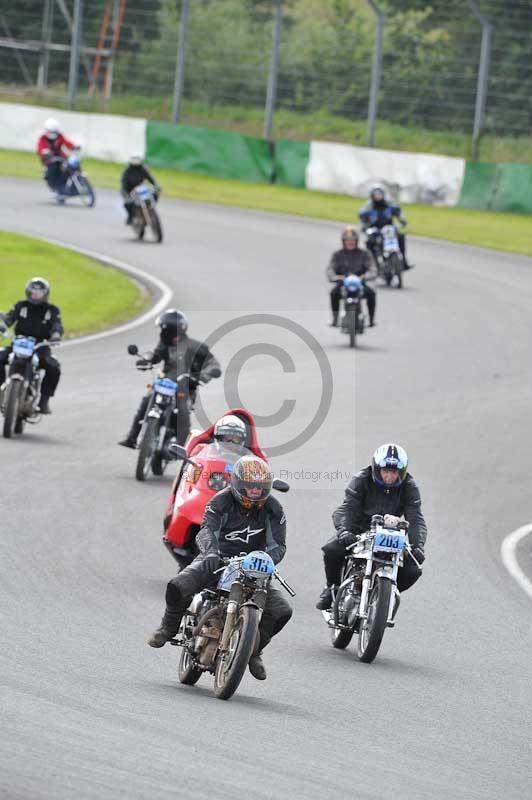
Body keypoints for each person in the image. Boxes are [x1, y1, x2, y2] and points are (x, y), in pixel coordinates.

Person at [148, 455, 292, 681]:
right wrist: (212, 552)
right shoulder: (219, 502)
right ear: (237, 484)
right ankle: (168, 627)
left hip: (252, 567)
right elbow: (206, 531)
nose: (255, 494)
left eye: (260, 489)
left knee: (282, 611)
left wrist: (265, 558)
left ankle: (253, 651)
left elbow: (278, 545)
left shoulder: (274, 509)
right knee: (177, 586)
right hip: (217, 559)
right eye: (250, 488)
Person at [316, 444, 427, 611]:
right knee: (332, 549)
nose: (390, 476)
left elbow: (416, 518)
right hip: (359, 529)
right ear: (377, 469)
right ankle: (332, 587)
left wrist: (418, 546)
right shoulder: (361, 479)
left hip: (390, 533)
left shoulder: (410, 487)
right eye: (386, 471)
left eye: (395, 472)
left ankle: (385, 593)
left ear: (401, 473)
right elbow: (346, 508)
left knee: (413, 570)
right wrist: (344, 531)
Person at [118, 309, 221, 449]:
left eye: (162, 329)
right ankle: (132, 437)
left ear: (170, 330)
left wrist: (201, 376)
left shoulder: (196, 347)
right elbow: (155, 355)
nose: (161, 332)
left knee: (183, 410)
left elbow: (213, 365)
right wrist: (145, 360)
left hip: (185, 388)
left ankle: (182, 446)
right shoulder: (165, 344)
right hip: (164, 384)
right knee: (146, 400)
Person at [0, 277, 63, 414]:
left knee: (54, 367)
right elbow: (9, 318)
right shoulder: (21, 305)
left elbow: (57, 325)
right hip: (19, 342)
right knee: (0, 356)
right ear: (28, 292)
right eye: (33, 292)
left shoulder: (52, 310)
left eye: (39, 293)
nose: (35, 296)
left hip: (40, 346)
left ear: (45, 294)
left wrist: (56, 334)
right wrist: (3, 323)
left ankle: (44, 401)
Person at [326, 226, 377, 327]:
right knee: (333, 293)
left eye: (352, 240)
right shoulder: (337, 254)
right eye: (347, 240)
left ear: (356, 241)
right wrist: (335, 278)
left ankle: (371, 320)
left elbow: (372, 268)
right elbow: (330, 269)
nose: (350, 242)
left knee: (371, 294)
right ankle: (335, 319)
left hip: (360, 283)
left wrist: (366, 276)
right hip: (343, 282)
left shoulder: (364, 254)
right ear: (343, 241)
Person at [359, 186, 412, 269]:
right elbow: (362, 217)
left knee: (400, 237)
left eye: (379, 195)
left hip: (389, 229)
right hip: (376, 230)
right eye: (376, 195)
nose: (378, 197)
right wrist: (364, 227)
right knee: (369, 243)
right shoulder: (368, 207)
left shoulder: (389, 204)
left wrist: (402, 221)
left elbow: (398, 212)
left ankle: (404, 261)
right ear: (372, 196)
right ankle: (375, 265)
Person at [37, 118, 77, 194]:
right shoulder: (42, 139)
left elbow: (66, 142)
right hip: (49, 160)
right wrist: (44, 152)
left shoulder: (59, 136)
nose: (53, 134)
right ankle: (59, 188)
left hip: (61, 158)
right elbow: (40, 148)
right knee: (53, 170)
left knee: (72, 165)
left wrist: (73, 146)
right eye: (51, 131)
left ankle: (78, 181)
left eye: (54, 132)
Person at [121, 156, 160, 225]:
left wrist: (156, 185)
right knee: (128, 203)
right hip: (129, 190)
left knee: (154, 194)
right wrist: (126, 193)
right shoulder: (127, 171)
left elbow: (150, 178)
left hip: (141, 189)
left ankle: (151, 208)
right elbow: (124, 183)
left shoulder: (143, 169)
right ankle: (130, 217)